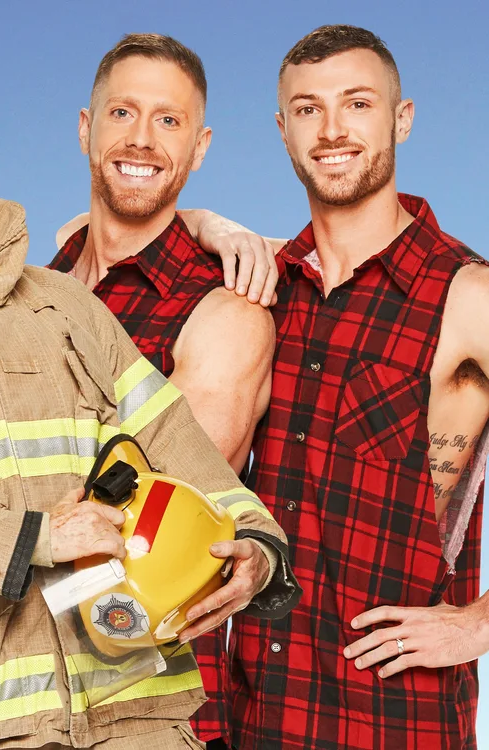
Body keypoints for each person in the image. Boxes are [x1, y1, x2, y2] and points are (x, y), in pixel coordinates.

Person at [0, 60, 299, 750]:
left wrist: (257, 545)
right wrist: (35, 539)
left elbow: (176, 444)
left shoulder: (67, 305)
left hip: (135, 709)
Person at [229, 25, 489, 749]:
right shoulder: (263, 288)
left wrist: (479, 623)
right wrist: (205, 222)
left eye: (358, 103)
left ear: (400, 119)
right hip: (257, 717)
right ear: (283, 131)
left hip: (396, 724)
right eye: (308, 109)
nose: (333, 129)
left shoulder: (465, 293)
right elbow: (93, 238)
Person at [48, 34, 280, 750]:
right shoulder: (42, 283)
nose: (141, 140)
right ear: (87, 129)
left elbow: (157, 536)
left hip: (142, 708)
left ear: (200, 146)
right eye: (121, 113)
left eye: (169, 121)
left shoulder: (225, 316)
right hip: (13, 705)